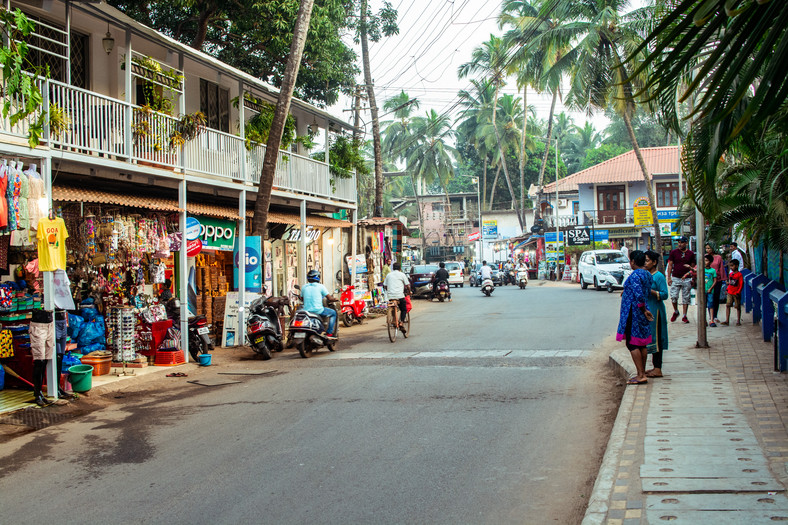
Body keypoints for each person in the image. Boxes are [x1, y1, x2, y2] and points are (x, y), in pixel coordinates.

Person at [616, 250, 654, 385]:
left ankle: (641, 374)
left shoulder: (635, 276)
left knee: (632, 343)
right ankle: (641, 372)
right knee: (641, 342)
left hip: (634, 311)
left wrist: (643, 309)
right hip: (643, 311)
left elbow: (638, 294)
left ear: (632, 262)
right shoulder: (647, 274)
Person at [644, 250, 668, 378]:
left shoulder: (659, 276)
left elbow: (665, 294)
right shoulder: (646, 275)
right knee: (651, 339)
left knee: (657, 339)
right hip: (648, 310)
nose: (645, 263)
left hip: (657, 311)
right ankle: (654, 367)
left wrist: (651, 291)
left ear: (654, 262)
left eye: (647, 260)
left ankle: (658, 368)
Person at [666, 236, 696, 324]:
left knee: (686, 297)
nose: (680, 244)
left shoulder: (690, 254)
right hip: (675, 277)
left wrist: (692, 276)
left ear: (686, 243)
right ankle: (676, 311)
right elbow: (670, 265)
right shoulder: (673, 252)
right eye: (679, 242)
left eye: (682, 242)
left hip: (687, 278)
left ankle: (684, 315)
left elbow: (693, 267)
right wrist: (669, 277)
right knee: (674, 296)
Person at [301, 269, 338, 338]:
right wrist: (335, 299)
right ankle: (329, 333)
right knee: (333, 313)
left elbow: (302, 299)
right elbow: (330, 298)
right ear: (318, 277)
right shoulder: (321, 286)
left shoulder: (304, 287)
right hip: (318, 310)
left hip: (306, 311)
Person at [383, 262, 411, 333]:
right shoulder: (402, 275)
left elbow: (385, 286)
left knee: (392, 306)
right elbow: (407, 285)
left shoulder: (389, 275)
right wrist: (409, 292)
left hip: (391, 296)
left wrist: (389, 290)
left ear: (393, 268)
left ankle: (393, 320)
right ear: (400, 268)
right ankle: (401, 322)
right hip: (400, 296)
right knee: (404, 309)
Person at [705, 243, 725, 325]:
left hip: (717, 280)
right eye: (706, 248)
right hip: (708, 282)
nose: (708, 250)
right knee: (709, 299)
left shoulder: (718, 257)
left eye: (709, 248)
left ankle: (715, 316)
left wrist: (724, 279)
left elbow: (721, 269)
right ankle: (710, 317)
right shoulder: (705, 257)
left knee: (716, 298)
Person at [722, 258, 743, 326]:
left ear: (736, 266)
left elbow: (741, 284)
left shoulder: (739, 275)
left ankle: (738, 320)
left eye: (732, 266)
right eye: (730, 266)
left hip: (736, 292)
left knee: (737, 306)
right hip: (730, 292)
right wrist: (727, 289)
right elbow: (730, 283)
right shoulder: (731, 274)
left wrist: (738, 292)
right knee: (728, 305)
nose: (731, 267)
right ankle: (727, 320)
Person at [703, 253, 717, 327]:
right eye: (704, 260)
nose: (705, 262)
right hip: (703, 290)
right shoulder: (702, 270)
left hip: (710, 290)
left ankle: (711, 320)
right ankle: (704, 320)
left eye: (707, 260)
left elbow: (715, 280)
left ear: (710, 262)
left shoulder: (713, 271)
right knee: (703, 305)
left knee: (711, 305)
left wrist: (711, 288)